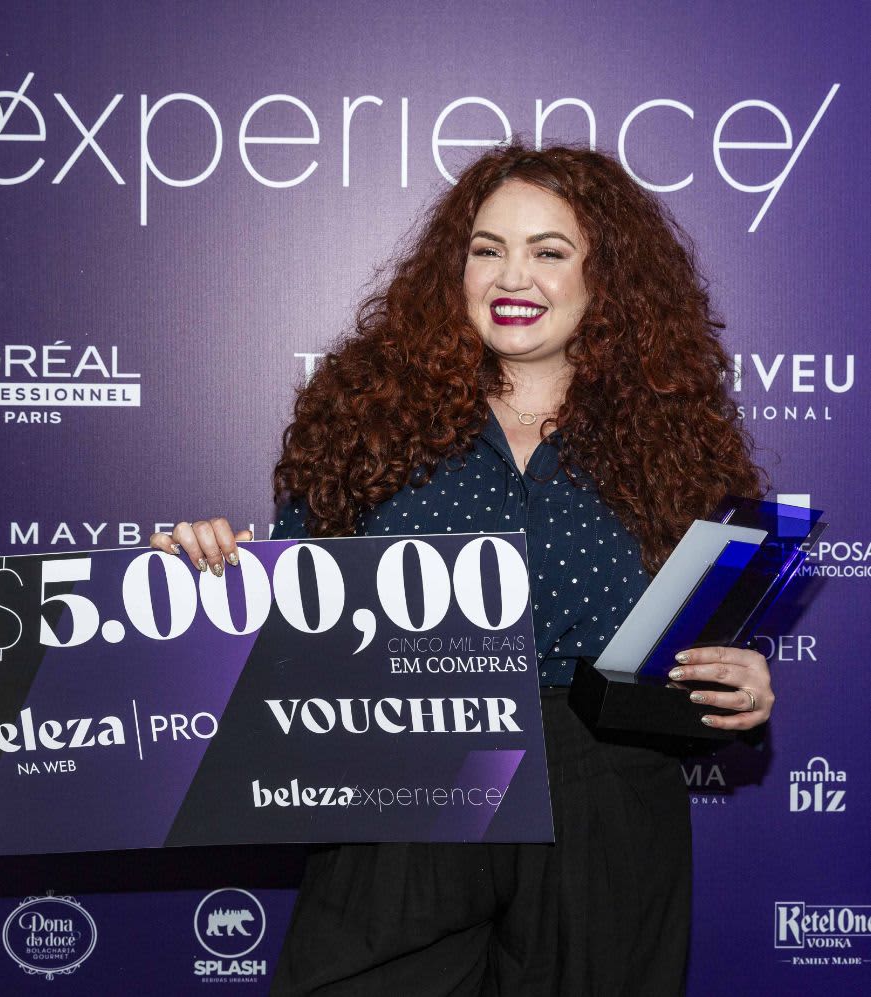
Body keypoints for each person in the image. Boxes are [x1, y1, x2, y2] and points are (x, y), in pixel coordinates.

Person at [150, 141, 775, 996]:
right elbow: (288, 623)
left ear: (607, 277)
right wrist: (206, 579)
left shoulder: (675, 440)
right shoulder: (363, 412)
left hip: (603, 801)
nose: (512, 277)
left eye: (548, 252)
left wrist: (738, 689)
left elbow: (688, 654)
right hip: (399, 783)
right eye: (488, 249)